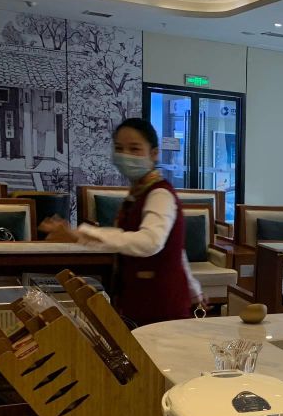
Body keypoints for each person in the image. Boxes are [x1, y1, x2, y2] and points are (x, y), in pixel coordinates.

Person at [40, 118, 203, 326]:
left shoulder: (160, 194)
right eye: (119, 148)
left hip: (160, 306)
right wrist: (194, 290)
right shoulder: (138, 194)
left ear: (154, 154)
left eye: (134, 149)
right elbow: (177, 249)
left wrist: (80, 235)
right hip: (140, 301)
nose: (125, 155)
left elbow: (150, 241)